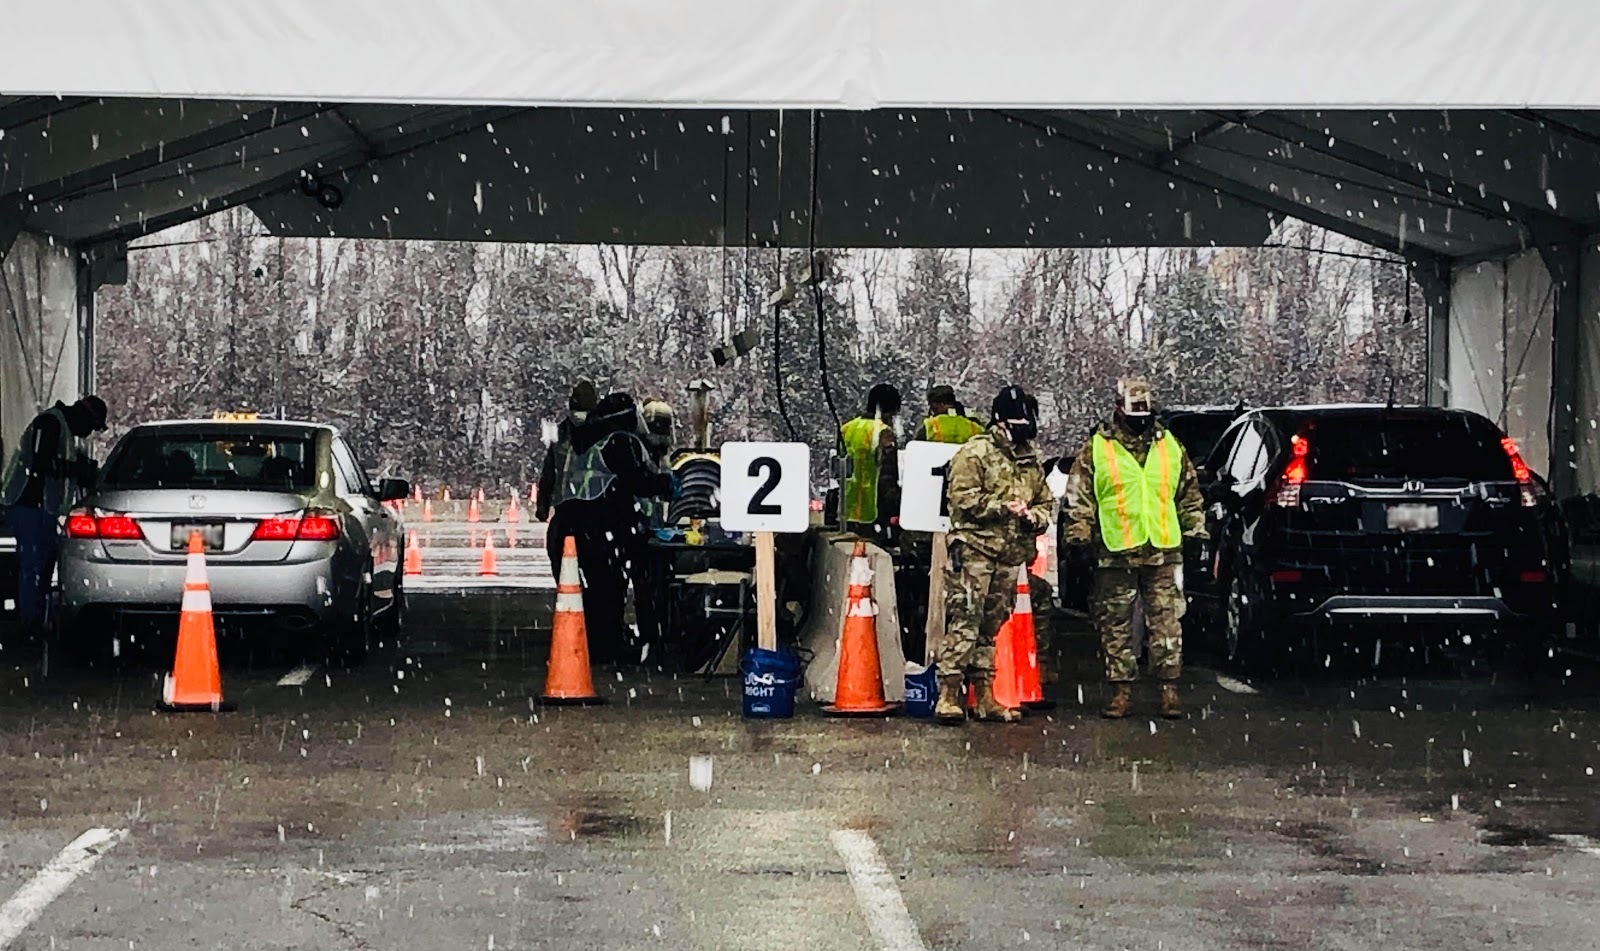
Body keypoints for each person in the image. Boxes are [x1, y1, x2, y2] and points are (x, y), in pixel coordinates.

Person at [1063, 378, 1206, 720]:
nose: (1141, 421)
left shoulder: (1169, 445)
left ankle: (1168, 691)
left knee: (1167, 623)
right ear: (1118, 410)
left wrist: (1196, 533)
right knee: (1115, 625)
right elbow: (1078, 498)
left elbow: (1188, 493)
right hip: (1116, 551)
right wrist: (1079, 540)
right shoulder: (1097, 448)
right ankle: (1120, 690)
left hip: (1161, 548)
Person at [933, 385, 1055, 724]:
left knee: (992, 624)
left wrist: (1035, 517)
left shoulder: (1029, 458)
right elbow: (961, 499)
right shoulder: (975, 454)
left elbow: (1046, 501)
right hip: (975, 548)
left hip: (1009, 554)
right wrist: (1001, 508)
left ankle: (984, 694)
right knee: (965, 619)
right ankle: (949, 692)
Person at [555, 392, 672, 664]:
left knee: (597, 588)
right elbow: (637, 481)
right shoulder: (621, 441)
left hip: (576, 523)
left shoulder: (584, 440)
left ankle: (596, 645)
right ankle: (610, 648)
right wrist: (665, 484)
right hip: (604, 523)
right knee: (613, 587)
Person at [1, 395, 108, 636]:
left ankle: (36, 619)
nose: (89, 432)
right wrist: (75, 469)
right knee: (34, 565)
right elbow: (41, 465)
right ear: (83, 415)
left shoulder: (65, 430)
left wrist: (81, 470)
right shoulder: (49, 423)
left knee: (43, 563)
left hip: (43, 509)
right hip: (27, 504)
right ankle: (30, 624)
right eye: (91, 426)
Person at [537, 381, 599, 572]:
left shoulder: (563, 431)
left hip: (567, 505)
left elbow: (549, 471)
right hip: (595, 507)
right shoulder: (602, 430)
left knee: (559, 554)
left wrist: (543, 505)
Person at [632, 398, 677, 658]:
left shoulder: (662, 455)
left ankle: (657, 632)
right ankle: (650, 633)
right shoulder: (638, 451)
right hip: (640, 529)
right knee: (644, 585)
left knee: (658, 583)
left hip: (656, 529)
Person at [838, 383, 902, 536]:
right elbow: (887, 477)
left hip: (846, 512)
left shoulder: (847, 428)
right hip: (872, 514)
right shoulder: (884, 432)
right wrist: (896, 508)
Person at [916, 385, 984, 445]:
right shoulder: (974, 426)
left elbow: (917, 448)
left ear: (941, 405)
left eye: (933, 407)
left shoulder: (930, 425)